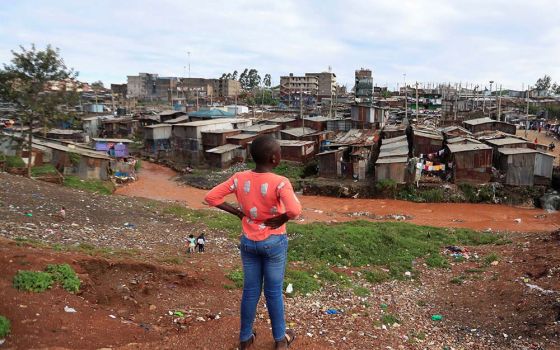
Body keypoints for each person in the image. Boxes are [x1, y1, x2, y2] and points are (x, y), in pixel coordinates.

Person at [205, 135, 301, 350]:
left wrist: (239, 213)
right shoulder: (280, 182)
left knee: (250, 291)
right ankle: (280, 340)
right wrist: (283, 217)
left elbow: (211, 197)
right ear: (275, 158)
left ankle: (245, 338)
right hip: (274, 242)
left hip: (249, 242)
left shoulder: (239, 178)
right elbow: (295, 210)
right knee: (273, 292)